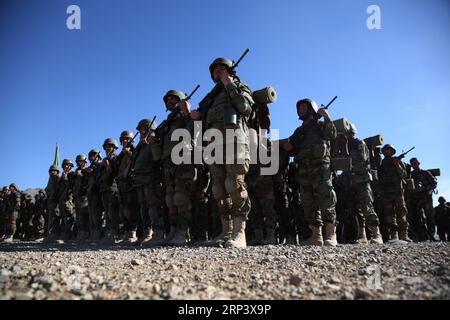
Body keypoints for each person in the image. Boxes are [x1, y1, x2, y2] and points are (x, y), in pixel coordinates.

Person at [191, 56, 254, 248]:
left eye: (222, 68)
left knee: (234, 183)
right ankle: (226, 231)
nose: (218, 71)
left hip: (235, 141)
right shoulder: (211, 99)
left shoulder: (239, 86)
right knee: (218, 189)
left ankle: (239, 232)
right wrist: (193, 116)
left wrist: (229, 84)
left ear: (230, 70)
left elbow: (246, 108)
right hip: (213, 145)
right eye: (215, 69)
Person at [283, 98, 338, 246]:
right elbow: (289, 148)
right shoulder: (299, 131)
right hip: (303, 170)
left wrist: (326, 116)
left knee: (326, 198)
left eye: (304, 107)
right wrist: (288, 146)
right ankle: (316, 235)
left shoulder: (320, 125)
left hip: (320, 168)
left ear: (311, 109)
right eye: (299, 107)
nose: (301, 109)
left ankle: (331, 234)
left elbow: (332, 134)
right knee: (308, 203)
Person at [378, 144, 411, 242]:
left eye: (389, 150)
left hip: (398, 191)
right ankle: (394, 235)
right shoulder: (381, 163)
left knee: (401, 212)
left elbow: (404, 175)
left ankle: (404, 234)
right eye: (386, 150)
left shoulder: (398, 161)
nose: (387, 152)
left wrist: (397, 164)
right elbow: (379, 177)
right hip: (386, 192)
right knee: (389, 214)